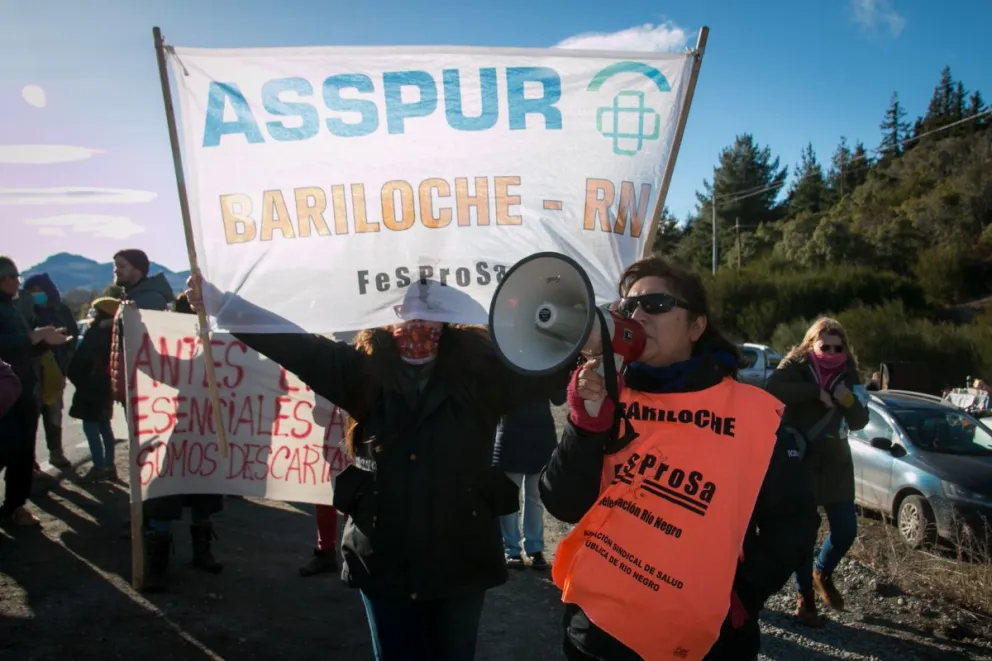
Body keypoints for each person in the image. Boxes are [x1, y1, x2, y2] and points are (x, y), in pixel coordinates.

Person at [185, 272, 569, 661]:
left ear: (449, 315)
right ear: (391, 310)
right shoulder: (360, 367)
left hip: (460, 557)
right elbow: (293, 343)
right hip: (385, 555)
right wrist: (222, 304)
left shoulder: (483, 369)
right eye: (409, 308)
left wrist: (584, 328)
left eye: (431, 308)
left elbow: (548, 367)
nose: (418, 322)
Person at [540, 256, 816, 661]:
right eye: (627, 306)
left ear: (696, 326)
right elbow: (562, 503)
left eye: (655, 304)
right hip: (598, 634)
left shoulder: (754, 413)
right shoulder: (609, 394)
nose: (636, 314)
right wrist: (585, 425)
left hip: (704, 642)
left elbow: (794, 520)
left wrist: (743, 596)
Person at [765, 317, 869, 628]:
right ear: (812, 344)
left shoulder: (849, 374)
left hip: (837, 462)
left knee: (846, 530)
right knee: (805, 533)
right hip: (803, 459)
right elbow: (772, 388)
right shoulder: (796, 365)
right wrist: (815, 392)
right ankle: (805, 597)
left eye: (839, 347)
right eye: (826, 346)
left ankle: (822, 571)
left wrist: (844, 397)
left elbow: (861, 420)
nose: (833, 352)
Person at [139, 291, 224, 592]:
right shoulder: (190, 359)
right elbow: (155, 364)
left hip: (211, 437)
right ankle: (157, 563)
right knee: (165, 497)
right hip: (180, 436)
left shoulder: (225, 353)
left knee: (204, 499)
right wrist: (137, 328)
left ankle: (202, 553)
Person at [0, 257, 70, 526]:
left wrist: (46, 343)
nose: (19, 281)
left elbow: (24, 350)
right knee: (8, 447)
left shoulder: (13, 308)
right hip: (5, 392)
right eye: (15, 276)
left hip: (24, 386)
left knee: (23, 451)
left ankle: (15, 507)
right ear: (3, 279)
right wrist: (33, 337)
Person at [493, 391, 566, 571]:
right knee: (509, 497)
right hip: (511, 433)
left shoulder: (547, 367)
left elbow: (559, 397)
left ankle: (534, 549)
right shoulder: (505, 363)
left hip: (539, 436)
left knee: (535, 498)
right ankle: (511, 550)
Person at [23, 273, 79, 469]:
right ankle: (29, 461)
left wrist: (65, 360)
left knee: (54, 411)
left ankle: (56, 452)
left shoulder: (60, 309)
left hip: (56, 367)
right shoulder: (24, 310)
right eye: (32, 291)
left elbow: (73, 334)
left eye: (40, 290)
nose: (37, 294)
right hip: (32, 369)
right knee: (31, 415)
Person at [67, 296, 120, 482]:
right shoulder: (115, 333)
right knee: (105, 427)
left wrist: (75, 376)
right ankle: (109, 465)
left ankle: (99, 466)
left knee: (91, 427)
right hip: (105, 387)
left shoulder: (96, 333)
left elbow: (81, 361)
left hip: (90, 387)